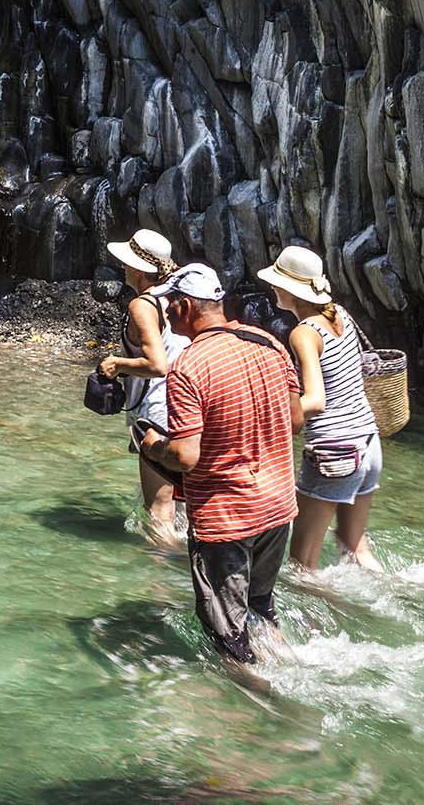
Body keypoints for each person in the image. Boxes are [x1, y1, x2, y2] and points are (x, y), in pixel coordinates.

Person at [137, 263, 302, 669]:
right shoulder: (269, 343)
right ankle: (289, 667)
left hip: (226, 519)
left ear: (186, 306)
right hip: (278, 507)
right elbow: (296, 419)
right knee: (261, 608)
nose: (167, 313)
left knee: (227, 636)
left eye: (170, 305)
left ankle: (263, 707)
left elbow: (186, 456)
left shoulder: (189, 366)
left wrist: (155, 446)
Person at [257, 245, 383, 573]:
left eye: (276, 282)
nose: (272, 288)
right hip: (369, 443)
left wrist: (264, 415)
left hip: (335, 451)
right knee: (355, 547)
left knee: (302, 565)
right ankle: (399, 597)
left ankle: (324, 623)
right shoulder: (339, 313)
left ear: (290, 290)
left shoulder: (304, 333)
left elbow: (315, 400)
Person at [96, 229, 189, 542]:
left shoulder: (142, 305)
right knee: (183, 513)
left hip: (156, 416)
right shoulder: (180, 299)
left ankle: (161, 586)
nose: (122, 268)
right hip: (188, 412)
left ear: (138, 269)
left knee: (159, 515)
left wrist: (116, 364)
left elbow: (157, 364)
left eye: (126, 263)